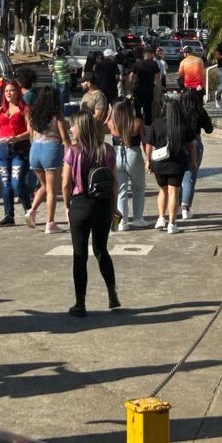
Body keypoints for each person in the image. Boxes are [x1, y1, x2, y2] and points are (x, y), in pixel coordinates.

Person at [63, 113, 119, 317]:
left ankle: (80, 303)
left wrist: (67, 206)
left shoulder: (72, 151)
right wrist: (114, 207)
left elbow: (65, 183)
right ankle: (112, 292)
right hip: (103, 205)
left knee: (80, 255)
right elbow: (114, 183)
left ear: (81, 128)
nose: (71, 130)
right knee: (101, 249)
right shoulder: (107, 150)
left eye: (73, 126)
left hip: (81, 204)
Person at [0, 80, 32, 227]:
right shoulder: (1, 110)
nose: (9, 93)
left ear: (18, 92)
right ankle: (9, 215)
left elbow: (31, 131)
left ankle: (29, 210)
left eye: (12, 90)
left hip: (20, 150)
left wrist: (17, 137)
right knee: (6, 183)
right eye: (6, 91)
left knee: (16, 182)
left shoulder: (24, 109)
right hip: (3, 151)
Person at [26, 87, 70, 234]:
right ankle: (49, 223)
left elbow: (31, 136)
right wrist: (70, 153)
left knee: (44, 186)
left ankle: (32, 211)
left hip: (35, 151)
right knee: (52, 190)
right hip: (50, 149)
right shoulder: (57, 115)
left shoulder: (34, 115)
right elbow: (65, 137)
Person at [144, 98, 190, 234]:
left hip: (159, 163)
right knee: (173, 193)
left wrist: (148, 161)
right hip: (177, 163)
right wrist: (193, 161)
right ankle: (172, 224)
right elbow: (191, 145)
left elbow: (148, 144)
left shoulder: (156, 124)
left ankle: (160, 218)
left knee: (162, 190)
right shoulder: (183, 124)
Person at [108, 98, 147, 231]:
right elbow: (145, 142)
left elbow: (100, 126)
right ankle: (138, 218)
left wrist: (109, 114)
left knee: (120, 190)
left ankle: (121, 222)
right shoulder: (137, 122)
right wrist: (148, 159)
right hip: (133, 153)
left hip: (116, 154)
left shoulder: (111, 124)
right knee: (138, 187)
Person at [179, 89, 213, 222]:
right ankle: (185, 208)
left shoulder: (179, 111)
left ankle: (177, 205)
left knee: (178, 176)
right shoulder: (200, 112)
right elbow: (209, 129)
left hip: (180, 144)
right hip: (195, 143)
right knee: (190, 177)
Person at [128, 48, 161, 127]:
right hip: (148, 89)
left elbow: (131, 76)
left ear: (144, 55)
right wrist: (160, 87)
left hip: (138, 89)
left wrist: (131, 86)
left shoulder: (137, 63)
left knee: (137, 107)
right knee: (148, 107)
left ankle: (138, 123)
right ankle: (147, 124)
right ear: (149, 55)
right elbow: (157, 78)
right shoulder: (154, 64)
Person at [51, 47, 71, 111]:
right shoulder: (65, 62)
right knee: (64, 96)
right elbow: (69, 70)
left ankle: (57, 109)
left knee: (57, 95)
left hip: (56, 80)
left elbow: (52, 70)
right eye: (64, 53)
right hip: (64, 81)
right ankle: (64, 109)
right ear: (62, 54)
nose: (65, 54)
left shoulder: (54, 61)